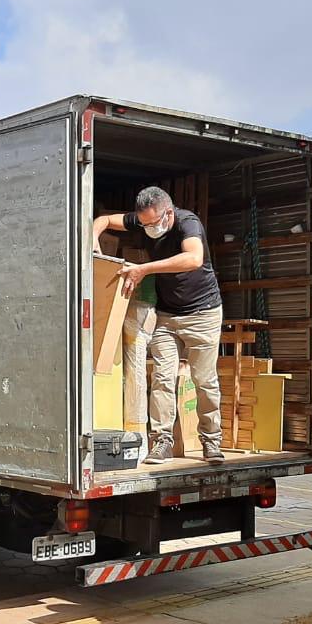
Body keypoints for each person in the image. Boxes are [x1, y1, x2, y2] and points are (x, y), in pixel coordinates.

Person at [93, 186, 224, 465]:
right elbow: (104, 220)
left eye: (153, 223)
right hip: (166, 315)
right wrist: (94, 238)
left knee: (204, 380)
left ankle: (211, 441)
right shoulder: (143, 219)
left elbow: (193, 259)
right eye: (143, 224)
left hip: (202, 314)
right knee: (163, 379)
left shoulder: (188, 223)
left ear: (168, 212)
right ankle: (162, 441)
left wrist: (144, 269)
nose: (148, 228)